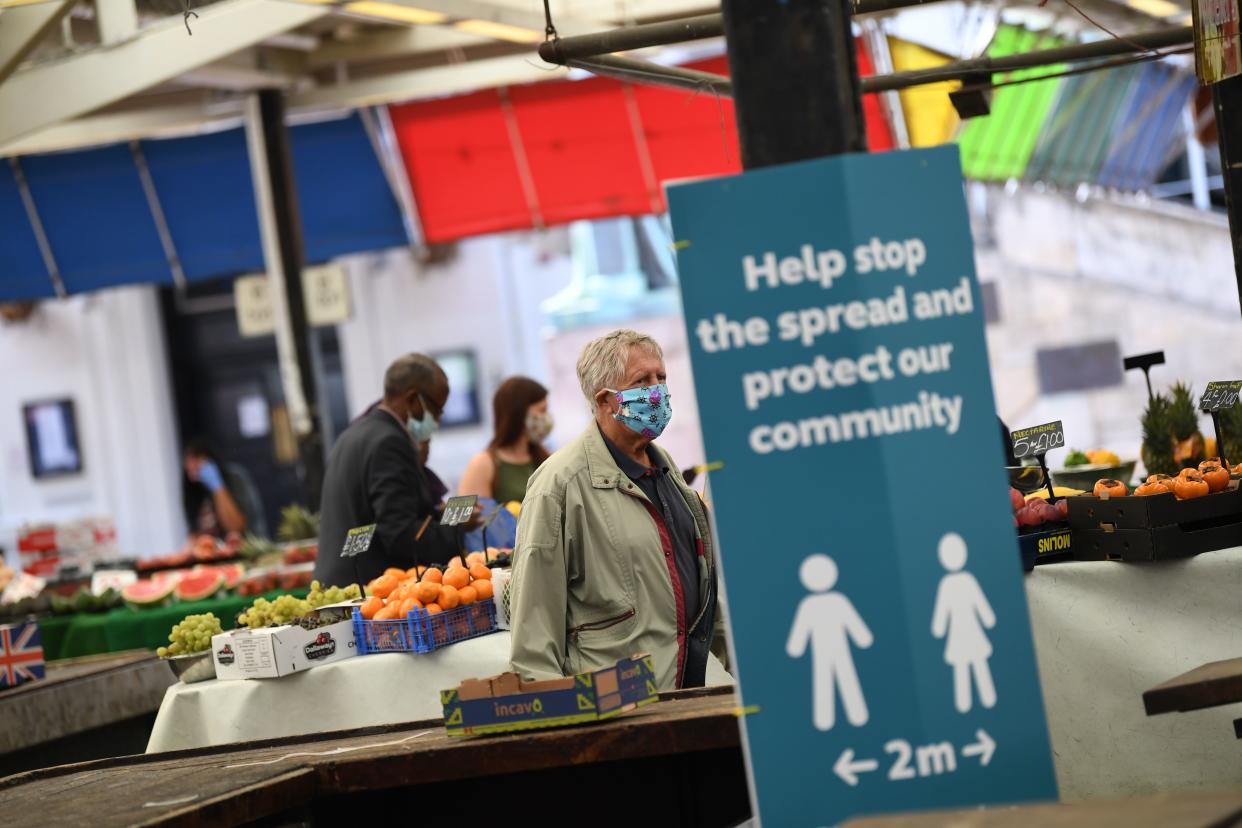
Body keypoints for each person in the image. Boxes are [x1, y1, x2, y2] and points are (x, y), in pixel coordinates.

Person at [508, 329, 725, 691]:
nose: (657, 391)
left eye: (662, 377)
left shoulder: (663, 466)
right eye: (642, 380)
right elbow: (534, 625)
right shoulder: (560, 484)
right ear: (606, 400)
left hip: (686, 692)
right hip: (617, 707)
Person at [314, 354, 475, 587]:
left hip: (345, 586)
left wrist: (442, 516)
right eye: (436, 410)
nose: (437, 421)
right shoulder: (389, 443)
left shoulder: (353, 434)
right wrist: (459, 527)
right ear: (412, 399)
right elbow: (401, 536)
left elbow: (385, 514)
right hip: (367, 594)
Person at [457, 377, 553, 504]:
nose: (546, 418)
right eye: (542, 410)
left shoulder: (546, 458)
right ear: (519, 412)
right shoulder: (483, 464)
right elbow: (467, 520)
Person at [182, 438, 266, 538]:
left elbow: (235, 528)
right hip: (214, 551)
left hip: (246, 547)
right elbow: (194, 534)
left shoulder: (235, 479)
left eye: (197, 460)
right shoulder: (192, 490)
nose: (192, 466)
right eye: (189, 462)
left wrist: (217, 487)